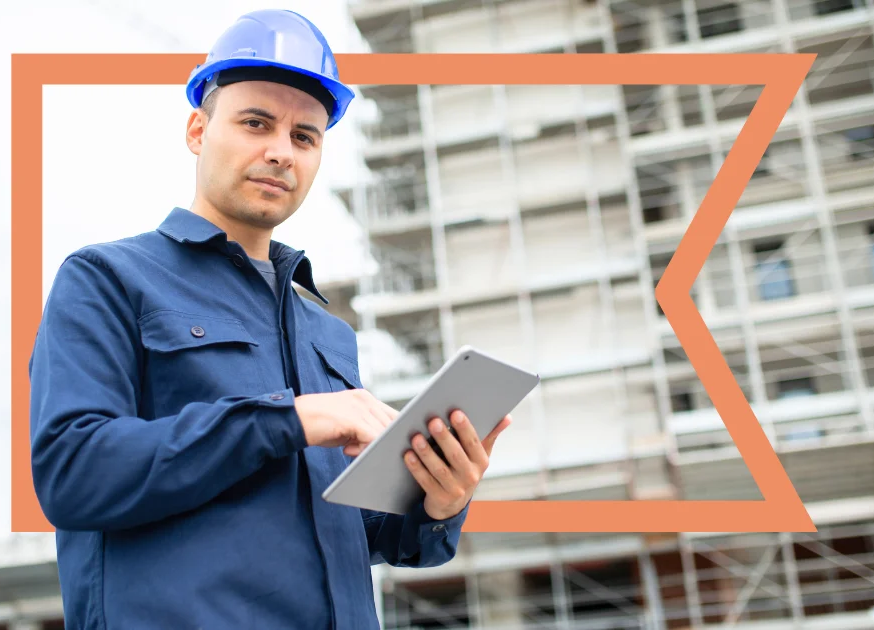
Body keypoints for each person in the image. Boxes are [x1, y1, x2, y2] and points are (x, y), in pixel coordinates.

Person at [27, 9, 512, 629]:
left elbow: (349, 532)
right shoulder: (106, 278)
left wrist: (437, 499)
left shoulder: (325, 331)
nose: (280, 152)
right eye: (256, 123)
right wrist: (288, 418)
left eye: (304, 136)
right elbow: (74, 473)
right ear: (198, 130)